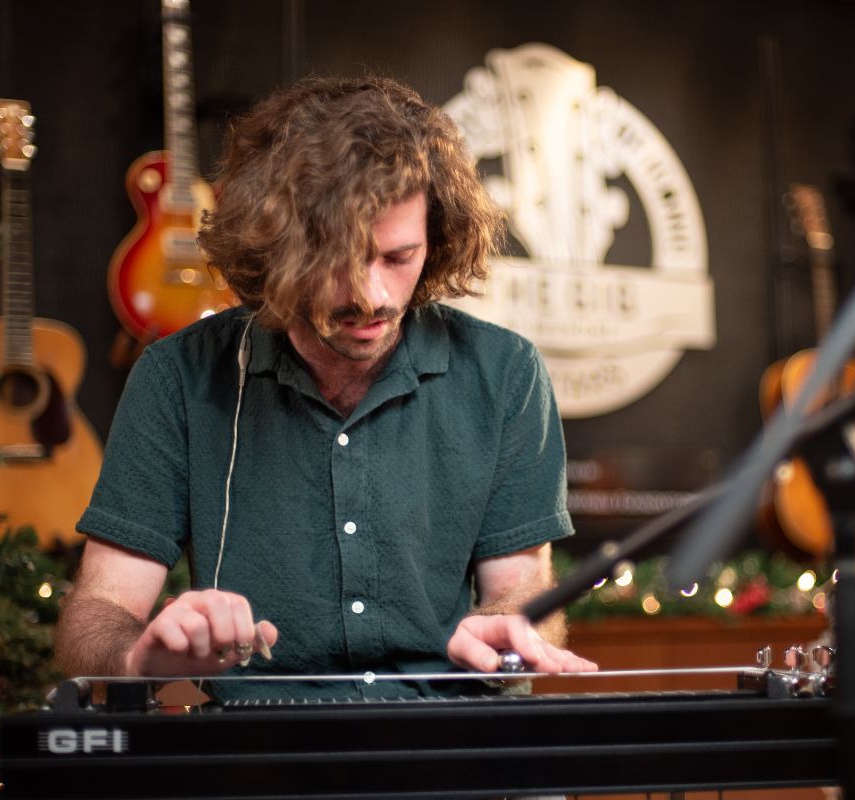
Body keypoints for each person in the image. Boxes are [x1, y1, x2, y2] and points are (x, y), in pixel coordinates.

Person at [53, 75, 596, 702]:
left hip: (449, 749)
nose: (371, 295)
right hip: (262, 764)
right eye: (337, 259)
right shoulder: (179, 376)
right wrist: (136, 653)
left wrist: (511, 623)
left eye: (397, 257)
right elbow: (95, 615)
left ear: (436, 240)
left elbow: (523, 586)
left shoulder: (503, 372)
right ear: (274, 245)